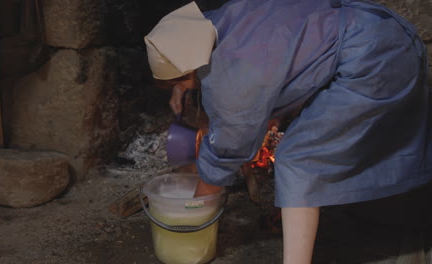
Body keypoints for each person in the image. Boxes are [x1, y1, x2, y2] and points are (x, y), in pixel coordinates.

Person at [144, 0, 431, 263]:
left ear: (190, 70)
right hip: (382, 29)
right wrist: (183, 84)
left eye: (177, 82)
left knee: (298, 160)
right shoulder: (225, 20)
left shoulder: (231, 77)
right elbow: (286, 62)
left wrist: (197, 206)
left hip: (373, 60)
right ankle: (393, 212)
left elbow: (227, 148)